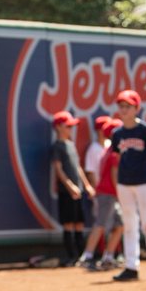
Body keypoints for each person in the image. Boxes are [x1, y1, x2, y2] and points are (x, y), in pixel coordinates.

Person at [110, 89, 146, 281]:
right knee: (129, 225)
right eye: (121, 106)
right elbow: (115, 158)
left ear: (136, 108)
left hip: (143, 182)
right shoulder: (117, 133)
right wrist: (117, 182)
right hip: (124, 184)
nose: (124, 110)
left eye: (128, 106)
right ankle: (131, 266)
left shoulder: (144, 130)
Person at [79, 118, 126, 270]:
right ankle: (86, 257)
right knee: (100, 224)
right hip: (108, 194)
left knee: (120, 225)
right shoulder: (112, 152)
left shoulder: (108, 150)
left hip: (108, 193)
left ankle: (108, 257)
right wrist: (120, 193)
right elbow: (114, 174)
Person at [51, 110, 94, 266]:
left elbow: (78, 168)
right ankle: (71, 256)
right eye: (67, 126)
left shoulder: (71, 144)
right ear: (58, 127)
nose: (70, 129)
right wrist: (70, 186)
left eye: (71, 126)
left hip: (79, 191)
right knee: (69, 223)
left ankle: (81, 256)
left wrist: (87, 185)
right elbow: (58, 169)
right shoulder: (57, 146)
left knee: (79, 223)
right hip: (67, 192)